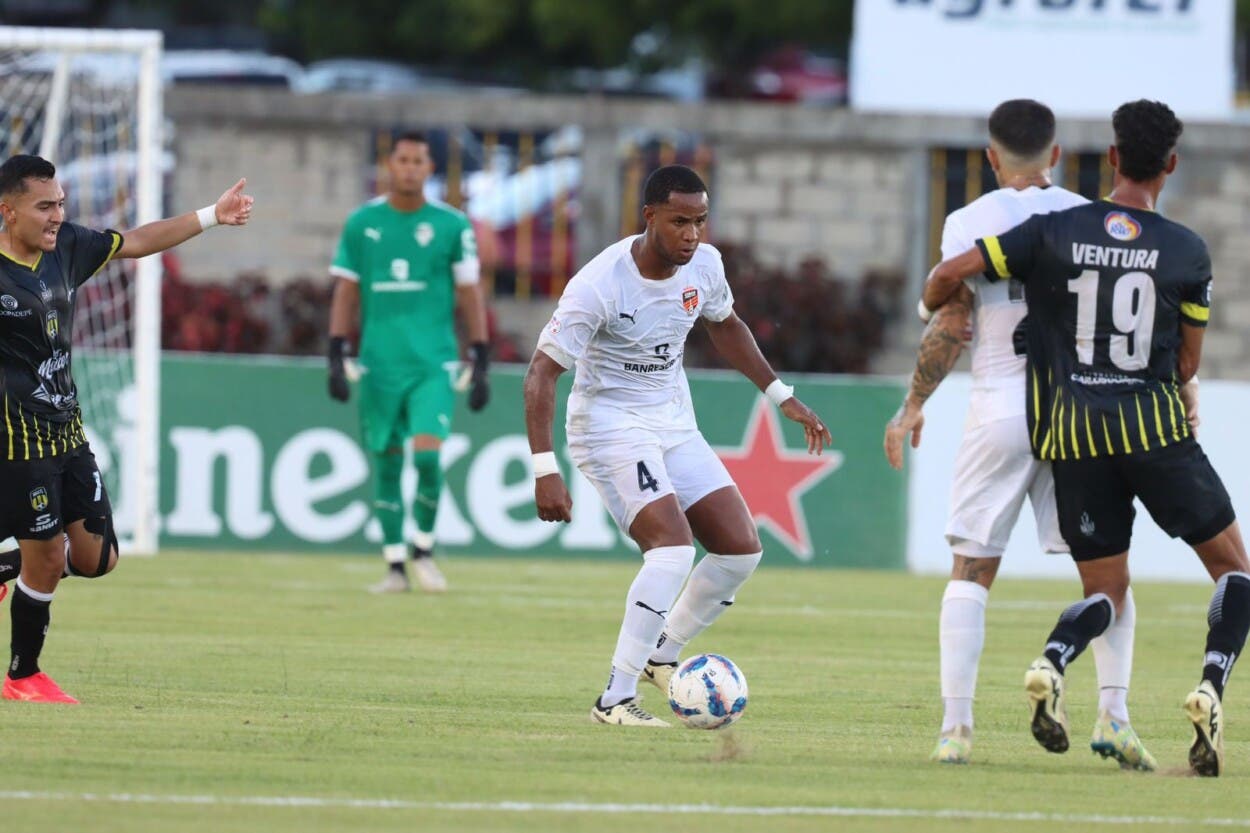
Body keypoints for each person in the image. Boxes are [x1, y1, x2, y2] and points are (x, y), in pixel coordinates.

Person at [922, 100, 1249, 777]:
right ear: (1172, 164)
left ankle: (1030, 675)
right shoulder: (1186, 248)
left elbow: (954, 276)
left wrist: (933, 299)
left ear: (1111, 157)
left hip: (1069, 432)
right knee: (1234, 571)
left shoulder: (1056, 228)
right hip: (1153, 430)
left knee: (1094, 586)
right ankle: (1197, 691)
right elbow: (1186, 365)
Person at [884, 99, 1155, 769]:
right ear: (1056, 154)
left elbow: (952, 322)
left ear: (989, 155)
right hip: (1084, 411)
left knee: (972, 570)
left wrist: (912, 404)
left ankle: (955, 731)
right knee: (1107, 579)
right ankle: (1114, 718)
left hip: (1002, 404)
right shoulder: (1092, 222)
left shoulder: (969, 223)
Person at [524, 165, 832, 726]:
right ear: (650, 218)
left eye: (700, 221)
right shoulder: (599, 284)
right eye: (680, 222)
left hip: (673, 422)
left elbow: (725, 324)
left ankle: (662, 655)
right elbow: (540, 375)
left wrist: (781, 395)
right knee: (671, 549)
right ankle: (613, 699)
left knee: (741, 549)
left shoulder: (706, 266)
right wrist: (545, 469)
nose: (692, 234)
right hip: (609, 425)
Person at [0, 153, 253, 703]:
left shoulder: (66, 247)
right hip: (16, 444)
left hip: (68, 432)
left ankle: (5, 565)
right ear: (8, 211)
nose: (56, 216)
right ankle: (23, 677)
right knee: (45, 557)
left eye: (61, 204)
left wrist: (212, 214)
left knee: (97, 558)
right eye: (44, 206)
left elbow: (136, 240)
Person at [326, 131, 491, 594]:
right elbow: (347, 289)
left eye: (419, 160)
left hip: (433, 364)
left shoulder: (451, 225)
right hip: (379, 364)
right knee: (386, 463)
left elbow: (468, 291)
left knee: (428, 457)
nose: (410, 168)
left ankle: (423, 549)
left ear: (429, 168)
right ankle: (395, 565)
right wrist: (336, 350)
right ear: (389, 165)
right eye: (403, 160)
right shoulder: (363, 223)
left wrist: (480, 353)